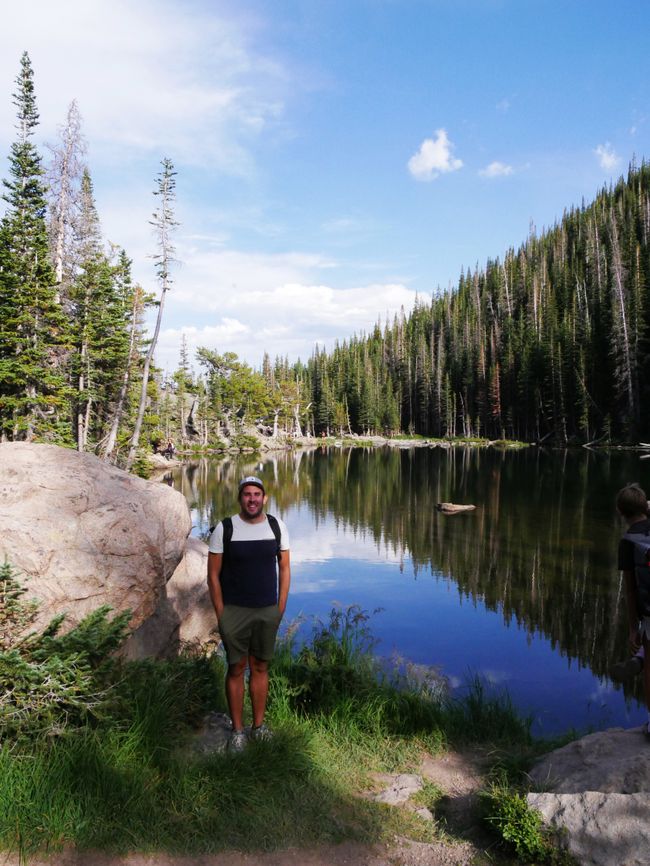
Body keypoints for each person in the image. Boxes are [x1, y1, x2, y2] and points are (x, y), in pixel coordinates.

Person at [207, 476, 290, 752]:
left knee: (261, 667)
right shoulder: (225, 528)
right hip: (234, 611)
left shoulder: (276, 527)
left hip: (267, 610)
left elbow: (285, 569)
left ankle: (259, 726)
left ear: (264, 498)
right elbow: (213, 576)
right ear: (240, 498)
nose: (252, 499)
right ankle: (238, 731)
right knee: (235, 668)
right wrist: (222, 614)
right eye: (247, 495)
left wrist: (279, 608)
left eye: (257, 494)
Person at [616, 482, 650, 739]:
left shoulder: (628, 542)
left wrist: (632, 629)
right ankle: (639, 658)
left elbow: (629, 590)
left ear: (621, 512)